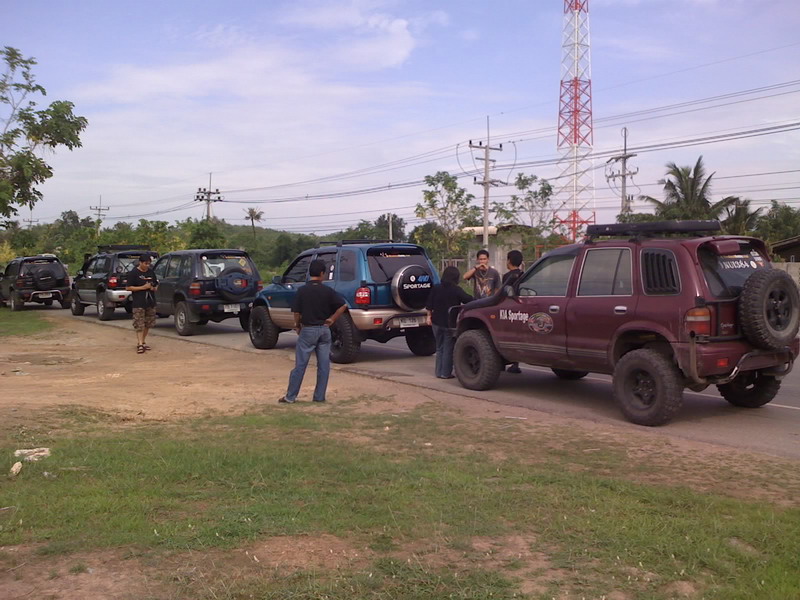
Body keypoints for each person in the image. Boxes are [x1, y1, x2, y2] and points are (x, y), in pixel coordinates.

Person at [279, 259, 348, 404]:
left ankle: (290, 396)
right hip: (324, 329)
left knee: (300, 365)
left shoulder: (302, 290)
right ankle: (319, 396)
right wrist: (332, 319)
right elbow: (343, 305)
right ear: (322, 273)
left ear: (310, 273)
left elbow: (296, 312)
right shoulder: (328, 291)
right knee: (323, 366)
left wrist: (297, 326)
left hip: (308, 330)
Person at [425, 266, 473, 379]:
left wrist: (428, 317)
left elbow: (429, 305)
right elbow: (469, 299)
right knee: (448, 348)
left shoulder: (436, 288)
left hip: (436, 322)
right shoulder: (456, 290)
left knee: (439, 348)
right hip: (449, 323)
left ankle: (438, 372)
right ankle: (445, 373)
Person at [125, 254, 158, 354]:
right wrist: (142, 287)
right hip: (139, 302)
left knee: (148, 323)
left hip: (150, 301)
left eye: (149, 264)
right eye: (145, 263)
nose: (147, 265)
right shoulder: (134, 273)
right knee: (139, 324)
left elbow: (155, 284)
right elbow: (128, 287)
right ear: (140, 262)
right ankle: (139, 343)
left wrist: (153, 287)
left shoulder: (151, 272)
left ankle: (143, 341)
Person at [502, 250, 524, 374]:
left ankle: (503, 363)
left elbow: (504, 292)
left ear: (509, 260)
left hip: (509, 308)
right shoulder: (523, 275)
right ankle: (516, 364)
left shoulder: (507, 276)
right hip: (521, 308)